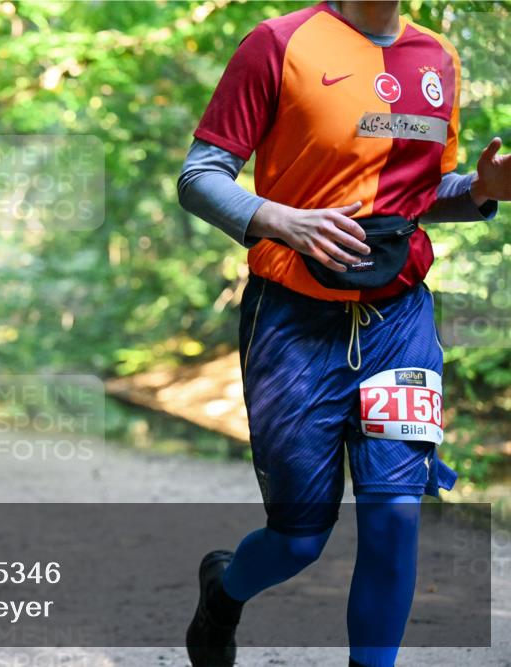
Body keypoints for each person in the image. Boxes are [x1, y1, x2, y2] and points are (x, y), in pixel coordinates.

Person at [177, 2, 508, 666]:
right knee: (300, 537)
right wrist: (281, 219)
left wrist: (482, 189)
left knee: (393, 516)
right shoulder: (278, 42)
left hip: (398, 323)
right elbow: (200, 177)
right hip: (293, 321)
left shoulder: (438, 58)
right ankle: (225, 588)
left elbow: (420, 193)